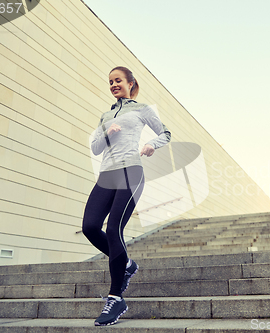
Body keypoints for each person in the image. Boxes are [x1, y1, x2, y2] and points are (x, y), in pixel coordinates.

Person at [82, 66, 171, 326]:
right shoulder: (105, 115)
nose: (113, 85)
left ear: (130, 83)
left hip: (131, 170)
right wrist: (107, 133)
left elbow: (165, 132)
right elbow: (96, 148)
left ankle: (116, 297)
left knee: (113, 230)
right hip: (106, 175)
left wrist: (151, 145)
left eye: (118, 80)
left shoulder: (142, 109)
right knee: (89, 227)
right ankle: (128, 263)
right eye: (110, 81)